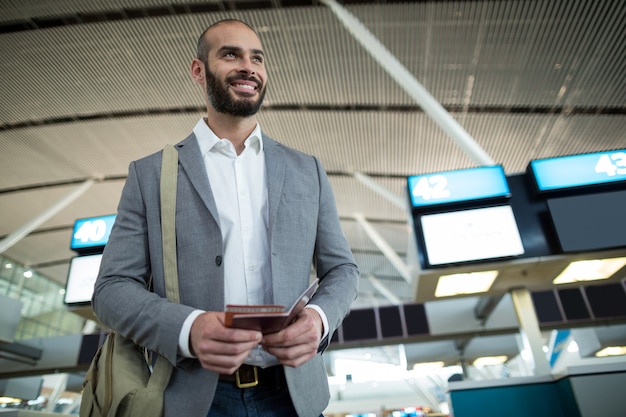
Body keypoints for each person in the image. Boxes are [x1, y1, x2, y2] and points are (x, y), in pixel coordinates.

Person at [92, 18, 359, 417]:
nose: (248, 67)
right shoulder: (150, 175)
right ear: (198, 71)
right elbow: (111, 289)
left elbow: (343, 270)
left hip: (294, 396)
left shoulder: (307, 171)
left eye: (257, 58)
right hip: (193, 398)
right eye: (230, 54)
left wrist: (320, 320)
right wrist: (188, 329)